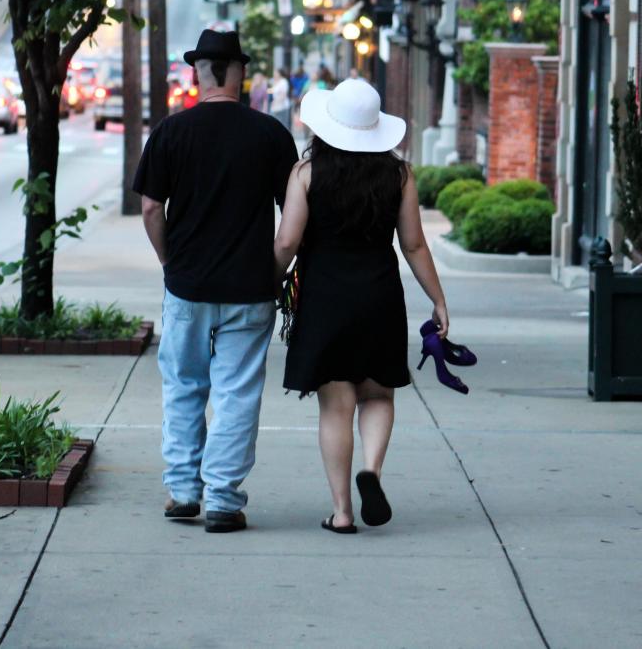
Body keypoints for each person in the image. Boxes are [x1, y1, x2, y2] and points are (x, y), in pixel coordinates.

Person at [134, 30, 299, 533]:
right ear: (241, 74)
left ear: (197, 73)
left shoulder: (170, 132)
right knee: (237, 393)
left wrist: (169, 261)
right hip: (250, 288)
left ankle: (184, 490)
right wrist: (275, 273)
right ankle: (224, 500)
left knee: (183, 386)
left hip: (187, 285)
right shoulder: (271, 135)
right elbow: (292, 222)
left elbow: (151, 207)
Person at [273, 78, 451, 534]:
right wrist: (437, 299)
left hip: (325, 297)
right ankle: (370, 469)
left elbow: (288, 241)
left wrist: (267, 284)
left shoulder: (306, 173)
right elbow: (414, 244)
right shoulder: (399, 175)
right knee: (378, 394)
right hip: (379, 295)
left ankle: (342, 512)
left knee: (336, 407)